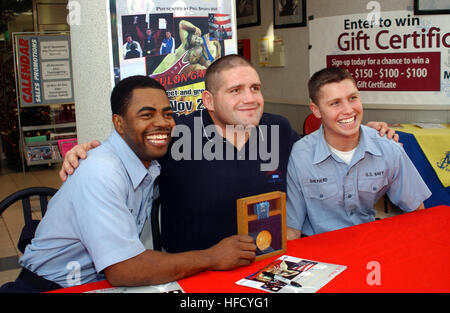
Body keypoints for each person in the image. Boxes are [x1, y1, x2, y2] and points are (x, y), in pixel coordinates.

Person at [59, 55, 398, 254]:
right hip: (194, 272)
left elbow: (322, 151)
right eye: (235, 90)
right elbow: (128, 154)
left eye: (255, 88)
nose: (250, 98)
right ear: (208, 101)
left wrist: (367, 132)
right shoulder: (178, 134)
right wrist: (86, 151)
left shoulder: (278, 129)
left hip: (270, 264)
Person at [0, 75, 255, 293]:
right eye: (147, 115)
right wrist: (212, 257)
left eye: (167, 114)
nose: (162, 123)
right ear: (119, 123)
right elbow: (124, 269)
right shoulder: (101, 169)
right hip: (49, 286)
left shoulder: (150, 158)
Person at [286, 67, 431, 239]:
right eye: (335, 103)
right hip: (317, 250)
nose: (348, 110)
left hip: (368, 244)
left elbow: (416, 211)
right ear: (316, 110)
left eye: (352, 98)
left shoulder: (387, 147)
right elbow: (292, 229)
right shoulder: (300, 155)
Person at [151, 20, 221, 80]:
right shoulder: (185, 46)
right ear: (191, 49)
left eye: (196, 58)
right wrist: (194, 28)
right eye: (193, 55)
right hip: (158, 74)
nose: (193, 58)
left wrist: (218, 50)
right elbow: (182, 23)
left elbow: (212, 70)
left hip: (169, 86)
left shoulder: (197, 63)